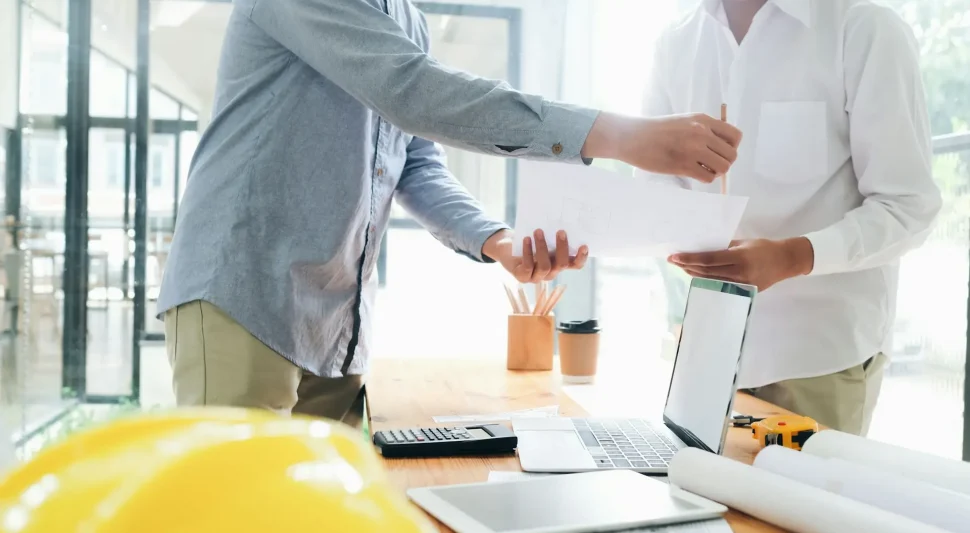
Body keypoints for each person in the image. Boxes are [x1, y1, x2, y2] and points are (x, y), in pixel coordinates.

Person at [157, 0, 743, 426]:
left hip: (336, 324)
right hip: (245, 294)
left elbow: (415, 164)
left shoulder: (407, 18)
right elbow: (412, 92)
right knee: (232, 506)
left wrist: (499, 241)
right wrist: (614, 136)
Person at [642, 0, 942, 435]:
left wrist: (793, 257)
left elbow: (909, 206)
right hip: (704, 351)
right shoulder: (675, 42)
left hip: (817, 359)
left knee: (806, 503)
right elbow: (651, 183)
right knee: (696, 501)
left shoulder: (863, 29)